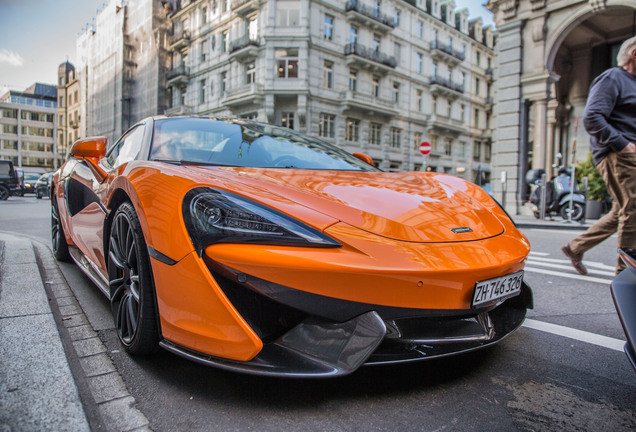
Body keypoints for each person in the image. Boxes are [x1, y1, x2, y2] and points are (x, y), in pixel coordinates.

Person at [562, 35, 636, 276]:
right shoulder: (614, 77)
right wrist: (622, 144)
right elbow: (592, 117)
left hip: (625, 153)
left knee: (621, 211)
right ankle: (626, 275)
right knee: (633, 208)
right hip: (619, 155)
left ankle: (576, 247)